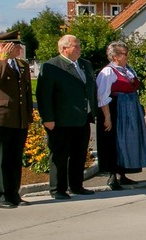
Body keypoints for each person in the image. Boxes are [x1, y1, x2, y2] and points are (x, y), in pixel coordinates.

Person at [37, 34, 98, 199]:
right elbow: (44, 95)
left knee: (79, 153)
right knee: (60, 155)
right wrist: (47, 118)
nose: (79, 49)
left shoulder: (85, 64)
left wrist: (93, 111)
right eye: (75, 46)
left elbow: (91, 89)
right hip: (61, 120)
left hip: (82, 118)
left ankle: (76, 185)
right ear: (64, 49)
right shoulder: (51, 66)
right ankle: (57, 188)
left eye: (79, 45)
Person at [0, 31, 32, 208]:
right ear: (4, 47)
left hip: (18, 118)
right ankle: (1, 196)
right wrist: (3, 59)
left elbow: (26, 92)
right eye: (15, 46)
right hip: (0, 118)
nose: (19, 49)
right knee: (0, 159)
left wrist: (28, 115)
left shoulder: (22, 65)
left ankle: (13, 193)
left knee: (15, 158)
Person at [96, 41, 146, 190]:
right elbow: (102, 96)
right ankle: (112, 176)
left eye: (127, 53)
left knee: (127, 142)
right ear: (114, 56)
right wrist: (107, 117)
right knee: (114, 141)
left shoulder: (128, 70)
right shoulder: (108, 72)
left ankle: (123, 174)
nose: (127, 56)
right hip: (116, 110)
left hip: (130, 110)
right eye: (124, 54)